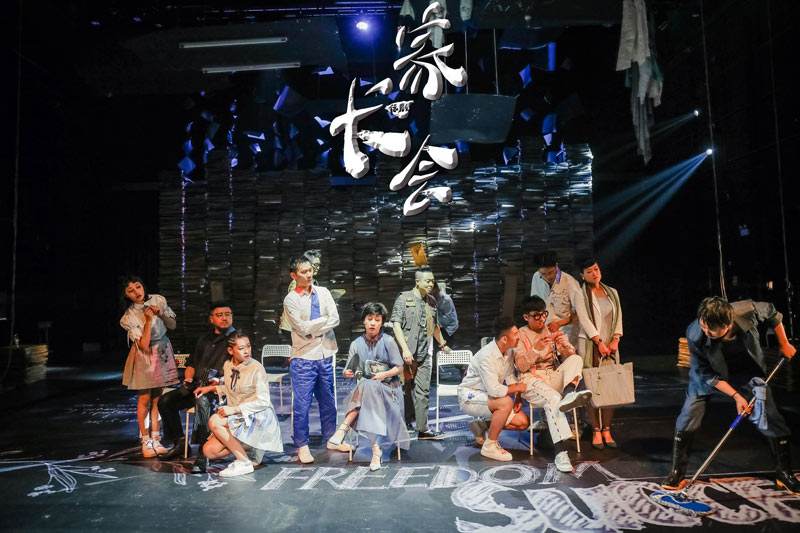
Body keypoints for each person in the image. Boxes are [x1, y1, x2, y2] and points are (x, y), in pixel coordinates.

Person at [661, 297, 798, 493]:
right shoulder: (695, 333)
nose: (705, 331)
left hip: (746, 371)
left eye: (711, 329)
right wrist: (736, 396)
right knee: (689, 414)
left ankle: (784, 473)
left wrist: (784, 343)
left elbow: (773, 313)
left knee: (769, 416)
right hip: (709, 374)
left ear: (727, 325)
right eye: (703, 325)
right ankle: (677, 473)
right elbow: (706, 374)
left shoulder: (748, 310)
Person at [515, 296, 593, 472]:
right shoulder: (520, 334)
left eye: (544, 314)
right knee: (553, 399)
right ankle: (561, 452)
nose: (542, 319)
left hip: (552, 377)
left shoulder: (551, 329)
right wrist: (535, 349)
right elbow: (520, 366)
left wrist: (564, 346)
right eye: (536, 316)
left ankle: (569, 394)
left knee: (576, 359)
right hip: (531, 380)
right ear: (526, 317)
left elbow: (569, 355)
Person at [328, 303, 409, 471]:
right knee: (368, 386)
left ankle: (343, 428)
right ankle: (376, 451)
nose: (373, 323)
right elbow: (350, 369)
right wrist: (347, 372)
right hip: (367, 394)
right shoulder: (356, 344)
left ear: (382, 322)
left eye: (377, 320)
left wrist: (383, 375)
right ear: (364, 321)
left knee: (368, 385)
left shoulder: (388, 341)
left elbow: (399, 368)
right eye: (370, 319)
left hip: (389, 390)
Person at [158, 302, 236, 472]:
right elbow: (192, 363)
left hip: (219, 390)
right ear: (211, 319)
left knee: (203, 402)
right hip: (197, 385)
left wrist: (218, 382)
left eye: (228, 314)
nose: (224, 318)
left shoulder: (236, 339)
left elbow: (239, 369)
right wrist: (188, 378)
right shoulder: (204, 339)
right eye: (220, 315)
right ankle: (179, 443)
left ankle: (203, 451)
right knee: (165, 401)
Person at [193, 331, 283, 477]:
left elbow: (263, 401)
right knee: (209, 451)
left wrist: (235, 409)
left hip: (256, 416)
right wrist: (211, 388)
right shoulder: (228, 365)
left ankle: (244, 461)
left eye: (248, 346)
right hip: (239, 417)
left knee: (215, 421)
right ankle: (250, 447)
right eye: (241, 348)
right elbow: (233, 388)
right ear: (231, 350)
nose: (247, 351)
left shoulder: (256, 368)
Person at [282, 255, 345, 464]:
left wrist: (314, 327)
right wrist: (322, 322)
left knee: (328, 400)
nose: (308, 275)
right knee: (302, 404)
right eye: (303, 272)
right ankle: (302, 444)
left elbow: (335, 319)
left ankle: (331, 438)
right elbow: (301, 328)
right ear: (294, 275)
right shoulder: (291, 299)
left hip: (325, 353)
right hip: (304, 357)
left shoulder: (323, 292)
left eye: (310, 271)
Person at [119, 276, 179, 458]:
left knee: (158, 398)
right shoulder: (128, 317)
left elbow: (172, 325)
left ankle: (156, 437)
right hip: (145, 356)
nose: (136, 292)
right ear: (126, 295)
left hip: (162, 351)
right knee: (145, 398)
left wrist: (161, 314)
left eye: (138, 287)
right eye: (130, 290)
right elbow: (144, 345)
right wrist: (147, 320)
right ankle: (145, 440)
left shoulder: (158, 299)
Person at [458, 316, 529, 461]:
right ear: (504, 339)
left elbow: (510, 376)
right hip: (470, 396)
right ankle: (490, 445)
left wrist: (518, 396)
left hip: (490, 398)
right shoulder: (486, 356)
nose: (519, 337)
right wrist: (518, 387)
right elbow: (494, 390)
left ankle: (481, 425)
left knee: (522, 422)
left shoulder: (508, 351)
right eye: (515, 334)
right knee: (505, 403)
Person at [391, 267, 451, 439]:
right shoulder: (404, 298)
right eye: (427, 281)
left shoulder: (432, 301)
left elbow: (435, 326)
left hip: (424, 353)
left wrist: (443, 344)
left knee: (423, 391)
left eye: (432, 280)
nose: (431, 283)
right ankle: (402, 424)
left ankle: (422, 429)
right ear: (417, 282)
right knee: (404, 390)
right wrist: (405, 349)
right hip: (406, 353)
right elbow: (396, 324)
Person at [572, 258, 623, 450]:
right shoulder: (580, 294)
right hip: (591, 345)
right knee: (591, 388)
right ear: (582, 275)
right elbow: (584, 320)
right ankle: (595, 429)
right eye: (589, 271)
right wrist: (599, 342)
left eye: (596, 269)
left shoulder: (612, 292)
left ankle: (607, 429)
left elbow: (618, 317)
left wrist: (615, 339)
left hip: (611, 345)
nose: (594, 273)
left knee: (610, 388)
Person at [530, 251, 581, 346]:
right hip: (545, 332)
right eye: (543, 274)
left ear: (556, 266)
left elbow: (579, 311)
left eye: (550, 272)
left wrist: (559, 323)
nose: (547, 277)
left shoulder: (569, 281)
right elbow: (534, 305)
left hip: (567, 333)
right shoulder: (536, 277)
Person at [432, 281, 459, 347]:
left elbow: (447, 318)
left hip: (447, 329)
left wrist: (432, 320)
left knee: (445, 350)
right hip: (438, 328)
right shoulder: (432, 298)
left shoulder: (445, 299)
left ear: (436, 289)